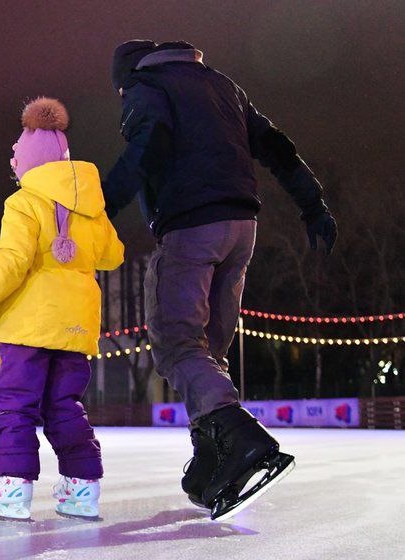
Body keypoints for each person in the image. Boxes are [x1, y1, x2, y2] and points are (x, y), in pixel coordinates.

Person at [103, 40, 338, 520]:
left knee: (176, 342)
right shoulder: (223, 86)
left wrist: (100, 206)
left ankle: (240, 438)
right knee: (208, 352)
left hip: (191, 226)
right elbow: (276, 147)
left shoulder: (146, 86)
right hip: (241, 229)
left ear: (126, 76)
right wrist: (312, 204)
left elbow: (148, 145)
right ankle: (212, 461)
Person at [0, 97, 124, 521]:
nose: (12, 162)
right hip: (74, 328)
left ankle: (12, 489)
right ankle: (82, 490)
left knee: (16, 404)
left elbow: (11, 260)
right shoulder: (92, 206)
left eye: (16, 156)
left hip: (28, 326)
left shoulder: (23, 203)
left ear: (29, 162)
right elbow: (113, 255)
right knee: (65, 405)